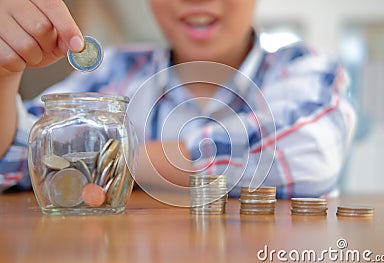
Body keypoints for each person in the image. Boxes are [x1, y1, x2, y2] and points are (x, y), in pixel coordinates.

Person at [0, 0, 356, 199]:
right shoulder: (110, 71)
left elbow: (308, 152)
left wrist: (113, 162)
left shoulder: (305, 69)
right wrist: (5, 73)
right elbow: (21, 155)